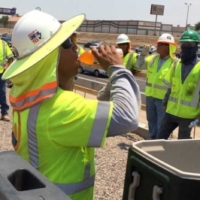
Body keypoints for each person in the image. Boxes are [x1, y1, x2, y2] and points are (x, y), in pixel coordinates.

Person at [3, 10, 141, 200]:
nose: (77, 47)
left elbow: (89, 112)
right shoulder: (60, 108)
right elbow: (127, 117)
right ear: (50, 58)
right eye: (68, 42)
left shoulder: (30, 95)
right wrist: (117, 69)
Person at [157, 29, 200, 139]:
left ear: (196, 46)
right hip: (171, 111)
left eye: (190, 44)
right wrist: (165, 102)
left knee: (182, 144)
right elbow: (170, 87)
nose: (186, 47)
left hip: (189, 116)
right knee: (160, 138)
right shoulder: (176, 64)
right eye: (184, 44)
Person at [136, 33, 177, 139]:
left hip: (164, 100)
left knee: (162, 125)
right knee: (152, 122)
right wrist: (143, 55)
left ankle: (162, 146)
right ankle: (153, 142)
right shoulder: (152, 59)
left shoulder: (175, 63)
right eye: (158, 44)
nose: (157, 46)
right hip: (150, 96)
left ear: (168, 47)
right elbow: (138, 66)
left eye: (161, 44)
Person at [0, 38, 13, 121]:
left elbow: (10, 57)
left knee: (2, 92)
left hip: (1, 73)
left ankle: (4, 113)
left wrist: (7, 66)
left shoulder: (4, 44)